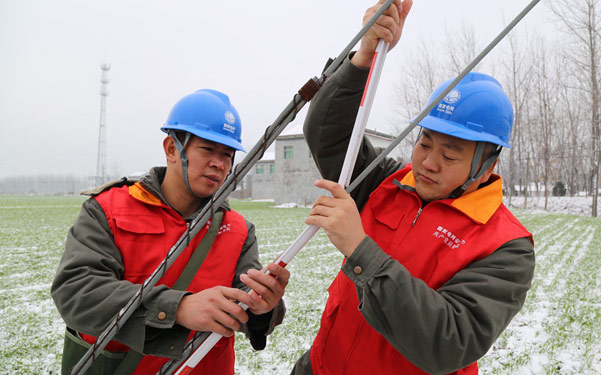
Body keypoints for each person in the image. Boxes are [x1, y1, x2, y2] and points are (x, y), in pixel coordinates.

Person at [291, 1, 535, 374]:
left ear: (487, 167)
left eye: (450, 155)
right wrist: (366, 52)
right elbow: (328, 133)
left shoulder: (506, 247)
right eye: (424, 143)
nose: (427, 163)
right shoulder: (384, 182)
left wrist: (361, 251)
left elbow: (449, 340)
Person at [51, 89, 289, 375]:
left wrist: (263, 308)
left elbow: (245, 305)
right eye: (208, 149)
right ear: (171, 148)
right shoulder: (108, 209)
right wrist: (179, 308)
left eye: (227, 154)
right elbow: (76, 291)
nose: (220, 163)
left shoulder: (238, 229)